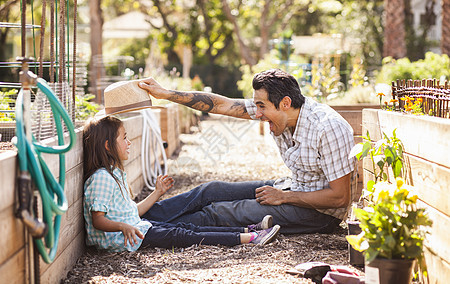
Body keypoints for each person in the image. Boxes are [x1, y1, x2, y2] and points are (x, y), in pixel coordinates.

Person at [137, 68, 357, 234]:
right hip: (292, 188)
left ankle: (145, 230)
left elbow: (340, 198)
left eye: (262, 106)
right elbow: (221, 105)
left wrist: (284, 197)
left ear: (285, 103)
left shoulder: (327, 128)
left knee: (219, 212)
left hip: (319, 214)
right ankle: (134, 216)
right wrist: (166, 94)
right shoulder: (279, 110)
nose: (257, 114)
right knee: (210, 191)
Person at [82, 115, 281, 252]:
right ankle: (250, 237)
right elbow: (98, 220)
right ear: (108, 146)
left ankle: (248, 230)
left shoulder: (114, 174)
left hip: (135, 229)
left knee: (187, 227)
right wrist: (122, 227)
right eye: (124, 138)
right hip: (127, 237)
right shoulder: (101, 178)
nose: (129, 142)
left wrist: (157, 193)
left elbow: (131, 212)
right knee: (184, 234)